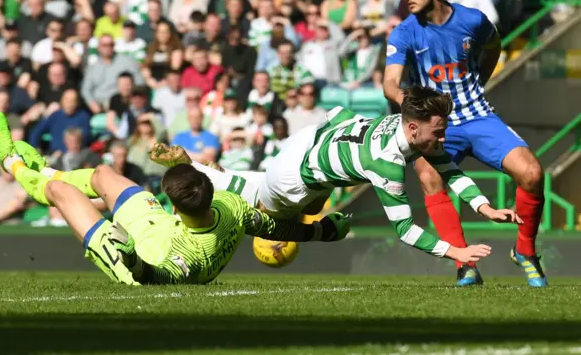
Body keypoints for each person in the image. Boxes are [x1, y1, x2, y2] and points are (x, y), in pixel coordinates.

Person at [151, 86, 521, 265]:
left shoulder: (404, 125)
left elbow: (445, 164)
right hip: (297, 178)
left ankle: (201, 169)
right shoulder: (387, 164)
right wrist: (456, 251)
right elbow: (405, 230)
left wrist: (483, 206)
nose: (443, 138)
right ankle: (199, 178)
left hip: (308, 139)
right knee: (268, 222)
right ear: (412, 128)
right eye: (437, 131)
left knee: (264, 188)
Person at [0, 113, 351, 285]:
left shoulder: (189, 259)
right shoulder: (233, 206)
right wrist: (323, 232)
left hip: (137, 255)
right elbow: (279, 227)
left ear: (173, 204)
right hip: (160, 225)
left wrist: (127, 251)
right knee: (102, 174)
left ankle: (14, 163)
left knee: (60, 193)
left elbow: (152, 277)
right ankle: (46, 169)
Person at [383, 0, 546, 287]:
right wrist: (413, 107)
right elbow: (390, 83)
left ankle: (525, 251)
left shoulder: (472, 19)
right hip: (437, 124)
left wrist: (480, 79)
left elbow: (493, 45)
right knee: (429, 176)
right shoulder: (404, 32)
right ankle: (464, 263)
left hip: (478, 114)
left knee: (532, 174)